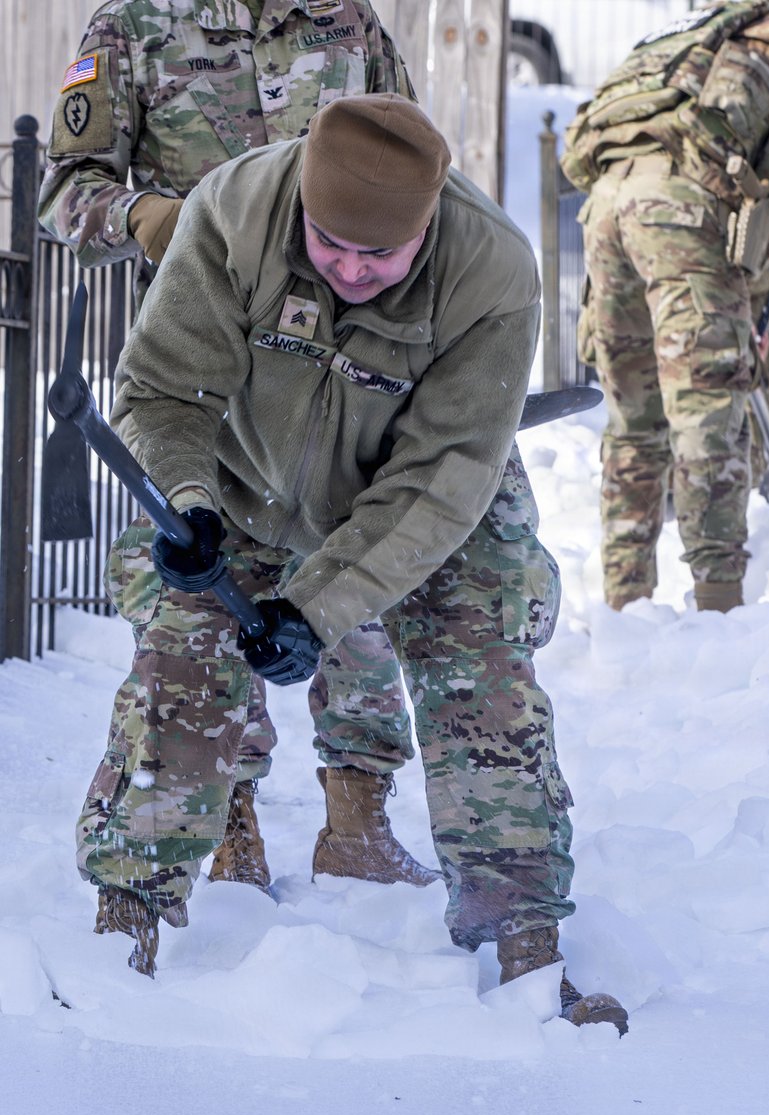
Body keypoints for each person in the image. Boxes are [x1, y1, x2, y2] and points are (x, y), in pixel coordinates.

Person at [79, 93, 628, 1033]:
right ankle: (118, 928)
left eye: (379, 257)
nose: (350, 270)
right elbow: (166, 388)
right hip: (239, 475)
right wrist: (189, 504)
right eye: (331, 247)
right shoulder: (234, 209)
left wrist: (316, 608)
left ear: (427, 225)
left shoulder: (490, 268)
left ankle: (523, 950)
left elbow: (440, 478)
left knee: (482, 677)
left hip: (433, 495)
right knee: (181, 658)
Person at [38, 0, 439, 892]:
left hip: (342, 359)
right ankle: (227, 824)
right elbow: (64, 193)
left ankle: (357, 819)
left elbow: (418, 174)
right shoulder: (135, 26)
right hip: (202, 368)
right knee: (197, 592)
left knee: (357, 581)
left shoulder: (351, 24)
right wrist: (147, 216)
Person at [561, 0, 769, 612]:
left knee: (635, 424)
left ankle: (625, 609)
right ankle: (719, 611)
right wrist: (747, 302)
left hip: (606, 208)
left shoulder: (706, 26)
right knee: (708, 412)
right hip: (681, 210)